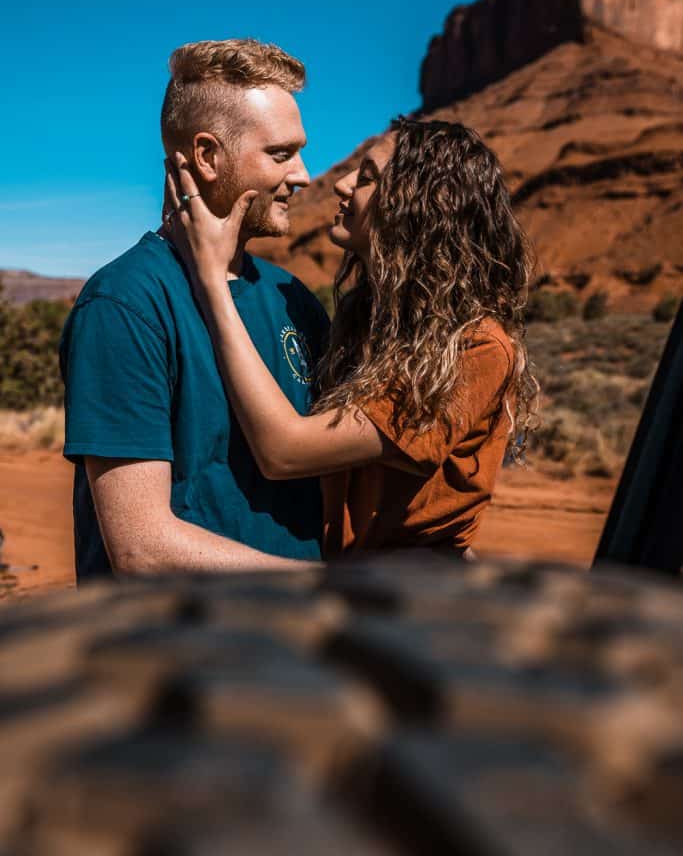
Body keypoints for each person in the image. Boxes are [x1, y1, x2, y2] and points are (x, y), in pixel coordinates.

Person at [164, 117, 537, 558]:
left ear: (419, 205)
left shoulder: (476, 348)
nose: (340, 185)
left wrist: (210, 276)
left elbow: (284, 451)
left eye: (366, 179)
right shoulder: (368, 322)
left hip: (412, 605)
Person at [59, 39, 330, 580]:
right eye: (279, 154)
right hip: (177, 651)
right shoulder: (125, 302)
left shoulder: (292, 297)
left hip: (297, 647)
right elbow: (143, 549)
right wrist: (324, 589)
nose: (302, 175)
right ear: (207, 156)